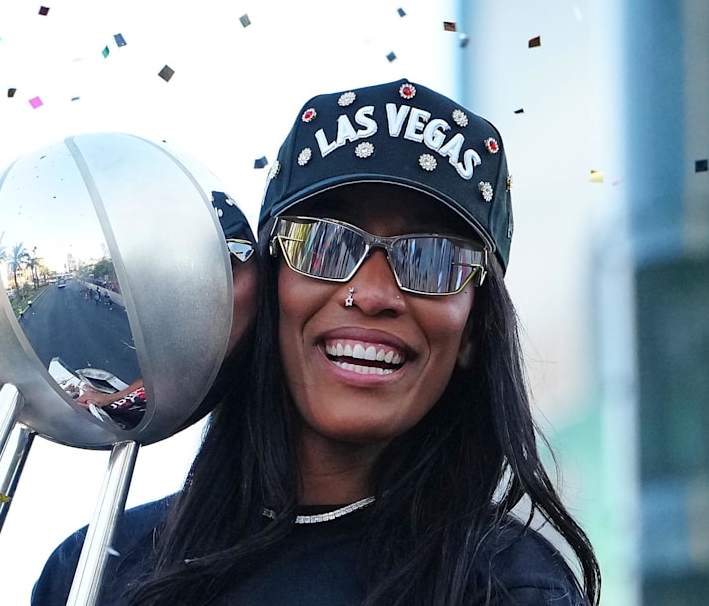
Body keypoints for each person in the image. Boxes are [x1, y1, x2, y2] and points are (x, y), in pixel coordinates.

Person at [33, 79, 601, 605]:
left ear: (474, 329)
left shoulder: (508, 589)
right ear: (269, 288)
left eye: (432, 259)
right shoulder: (95, 573)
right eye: (324, 244)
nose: (372, 294)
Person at [66, 191, 259, 431]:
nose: (205, 295)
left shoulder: (290, 368)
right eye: (182, 278)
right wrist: (110, 399)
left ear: (262, 270)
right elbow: (169, 376)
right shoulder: (192, 362)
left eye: (226, 265)